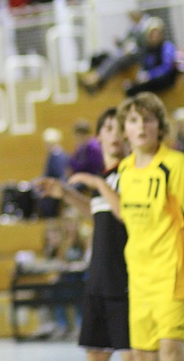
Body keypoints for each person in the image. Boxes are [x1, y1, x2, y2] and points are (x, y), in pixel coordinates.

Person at [35, 107, 133, 360]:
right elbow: (98, 212)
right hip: (98, 279)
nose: (116, 135)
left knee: (132, 354)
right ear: (98, 137)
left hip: (125, 279)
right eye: (109, 128)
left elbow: (125, 212)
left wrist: (97, 184)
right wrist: (66, 194)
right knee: (95, 353)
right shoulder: (104, 178)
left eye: (121, 129)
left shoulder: (133, 173)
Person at [116, 92, 184, 360]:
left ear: (160, 127)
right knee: (142, 354)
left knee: (170, 351)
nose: (141, 127)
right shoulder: (124, 169)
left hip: (172, 279)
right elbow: (125, 215)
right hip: (138, 280)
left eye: (148, 119)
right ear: (125, 130)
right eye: (134, 120)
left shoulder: (175, 165)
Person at [80, 11, 151, 94]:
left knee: (118, 58)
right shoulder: (132, 27)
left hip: (140, 55)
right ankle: (98, 78)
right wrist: (120, 43)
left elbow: (146, 45)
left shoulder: (148, 24)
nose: (130, 18)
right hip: (128, 54)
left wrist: (132, 50)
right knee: (113, 56)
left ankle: (97, 78)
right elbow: (127, 43)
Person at [124, 17, 178, 97]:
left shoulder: (167, 47)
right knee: (130, 89)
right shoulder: (147, 49)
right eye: (152, 35)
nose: (155, 37)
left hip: (164, 79)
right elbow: (144, 66)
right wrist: (140, 77)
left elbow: (166, 67)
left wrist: (150, 75)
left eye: (157, 35)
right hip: (150, 80)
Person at [37, 127, 70, 218]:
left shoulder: (57, 156)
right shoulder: (55, 154)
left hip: (55, 186)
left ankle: (49, 218)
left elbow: (60, 175)